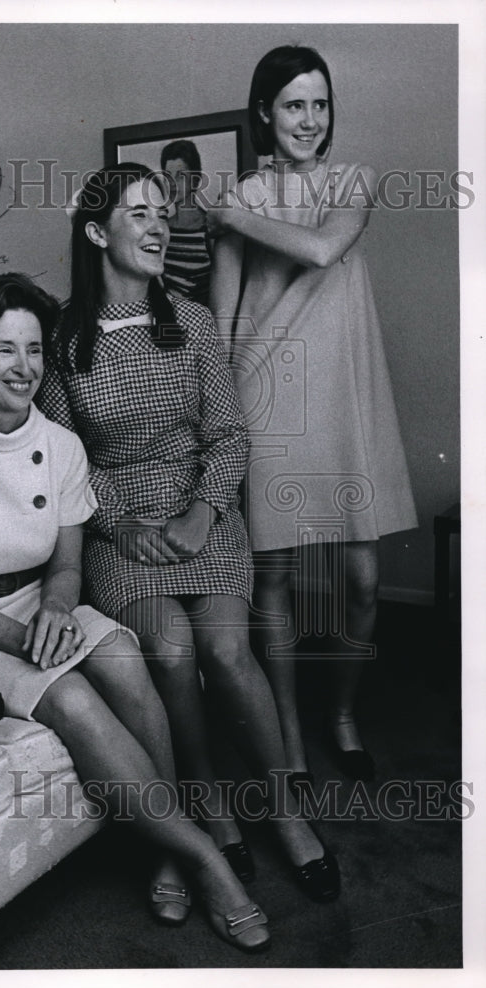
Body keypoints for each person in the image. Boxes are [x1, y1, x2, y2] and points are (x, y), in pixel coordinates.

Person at [0, 272, 271, 953]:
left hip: (42, 602)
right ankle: (201, 858)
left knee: (126, 656)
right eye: (5, 349)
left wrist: (59, 611)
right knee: (68, 696)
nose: (25, 367)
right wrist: (21, 638)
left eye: (35, 350)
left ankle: (161, 849)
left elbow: (65, 566)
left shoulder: (61, 446)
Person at [37, 162, 339, 904]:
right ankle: (207, 806)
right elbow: (62, 457)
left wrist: (202, 510)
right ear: (94, 232)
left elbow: (230, 436)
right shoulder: (60, 340)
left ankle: (285, 810)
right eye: (137, 214)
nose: (156, 225)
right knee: (169, 651)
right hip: (120, 530)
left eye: (161, 213)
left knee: (228, 649)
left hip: (203, 511)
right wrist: (121, 523)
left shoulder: (194, 321)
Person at [205, 45, 418, 783]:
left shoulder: (352, 181)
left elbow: (325, 248)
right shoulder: (240, 198)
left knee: (360, 578)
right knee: (275, 581)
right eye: (293, 104)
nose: (309, 119)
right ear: (265, 111)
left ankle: (341, 713)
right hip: (267, 399)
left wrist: (229, 209)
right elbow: (226, 316)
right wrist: (225, 415)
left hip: (345, 397)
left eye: (319, 104)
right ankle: (289, 736)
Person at [160, 139, 212, 305]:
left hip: (202, 324)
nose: (173, 184)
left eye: (181, 176)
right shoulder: (161, 228)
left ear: (196, 180)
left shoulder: (211, 228)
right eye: (168, 177)